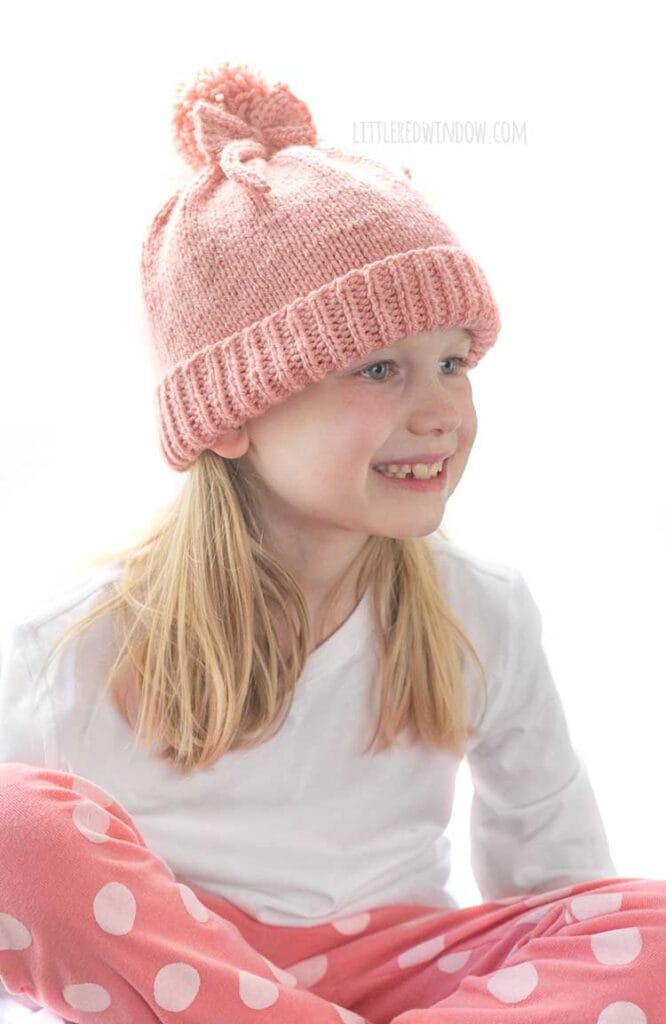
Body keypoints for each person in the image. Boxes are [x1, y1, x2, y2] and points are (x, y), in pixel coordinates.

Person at [0, 60, 663, 1024]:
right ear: (234, 415)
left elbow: (560, 891)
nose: (440, 412)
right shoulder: (79, 643)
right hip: (190, 979)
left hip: (411, 975)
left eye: (453, 362)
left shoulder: (481, 609)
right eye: (380, 369)